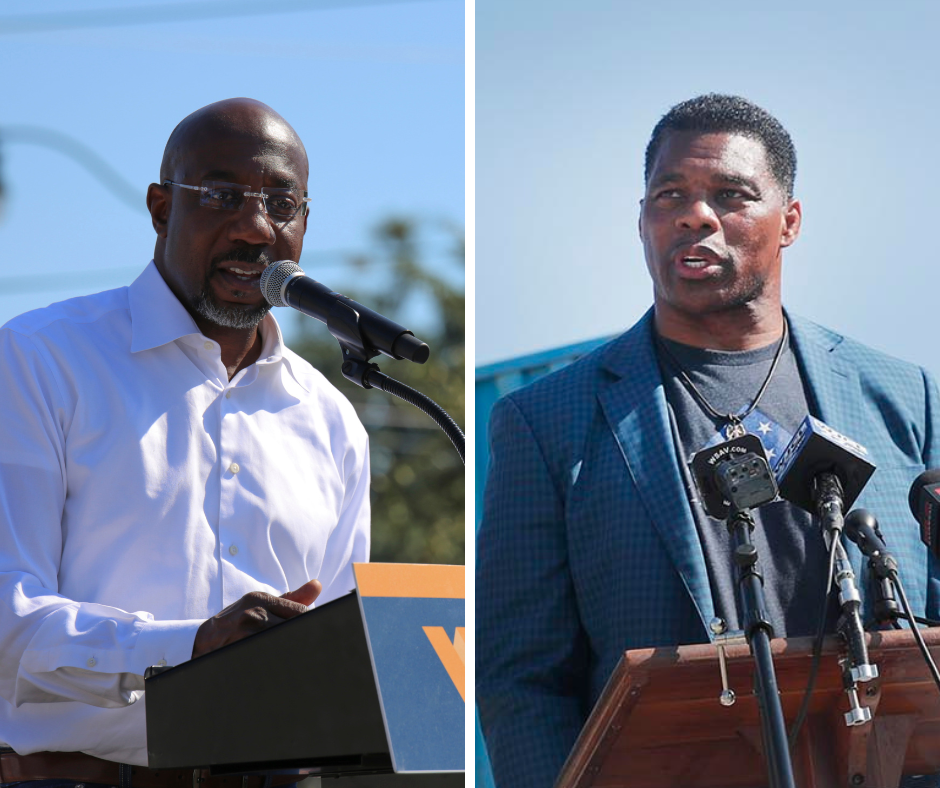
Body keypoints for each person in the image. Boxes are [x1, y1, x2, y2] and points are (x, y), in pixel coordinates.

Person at [476, 94, 940, 788]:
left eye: (731, 195)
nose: (695, 215)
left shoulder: (902, 396)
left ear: (790, 222)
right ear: (642, 223)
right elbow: (521, 684)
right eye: (670, 195)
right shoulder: (547, 422)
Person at [0, 99, 370, 782]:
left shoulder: (330, 419)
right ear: (161, 208)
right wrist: (190, 647)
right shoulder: (37, 360)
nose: (255, 228)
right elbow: (7, 619)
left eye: (281, 204)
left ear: (305, 224)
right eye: (223, 195)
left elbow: (350, 658)